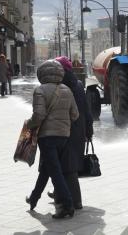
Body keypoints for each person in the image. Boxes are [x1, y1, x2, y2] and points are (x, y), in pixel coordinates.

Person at [26, 59, 79, 219]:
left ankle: (67, 205)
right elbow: (75, 115)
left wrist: (29, 124)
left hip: (47, 138)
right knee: (47, 169)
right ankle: (34, 198)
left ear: (42, 73)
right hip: (64, 137)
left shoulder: (40, 90)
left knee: (55, 172)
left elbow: (39, 115)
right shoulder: (67, 90)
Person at [51, 56, 94, 210]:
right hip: (79, 131)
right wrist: (89, 131)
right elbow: (87, 111)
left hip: (65, 130)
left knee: (67, 168)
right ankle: (60, 193)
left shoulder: (60, 86)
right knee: (69, 166)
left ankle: (75, 201)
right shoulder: (78, 84)